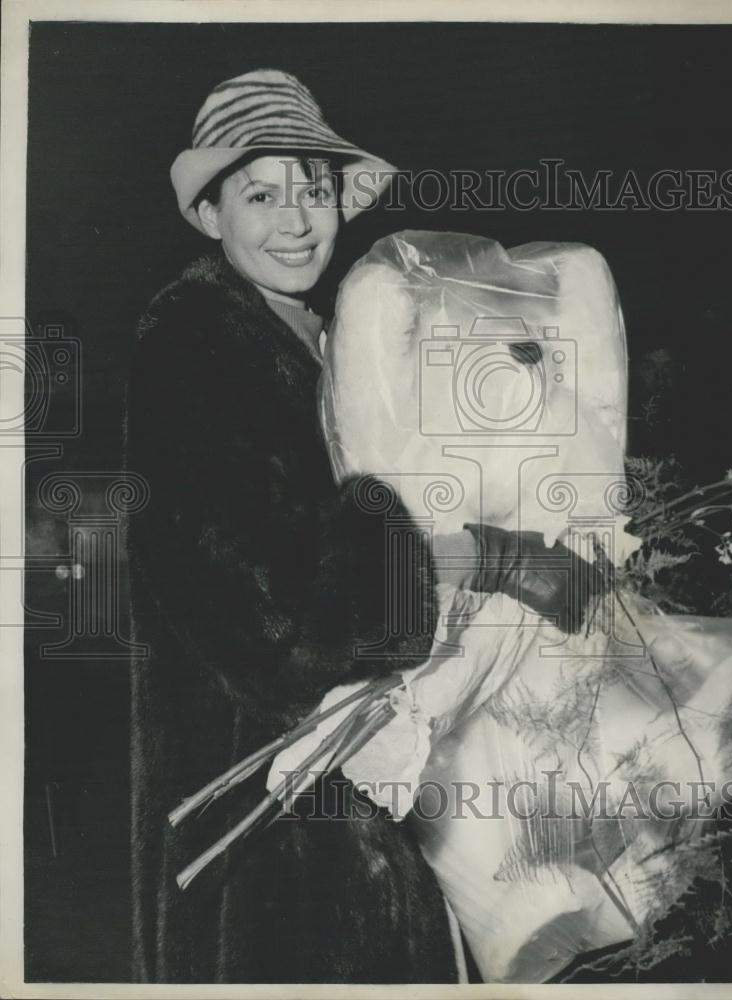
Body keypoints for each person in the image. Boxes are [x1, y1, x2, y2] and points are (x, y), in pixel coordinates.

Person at [125, 68, 597, 984]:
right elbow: (275, 622)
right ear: (212, 214)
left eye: (315, 187)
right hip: (267, 814)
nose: (296, 218)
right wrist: (484, 556)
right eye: (261, 194)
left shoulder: (327, 336)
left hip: (355, 786)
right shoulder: (191, 340)